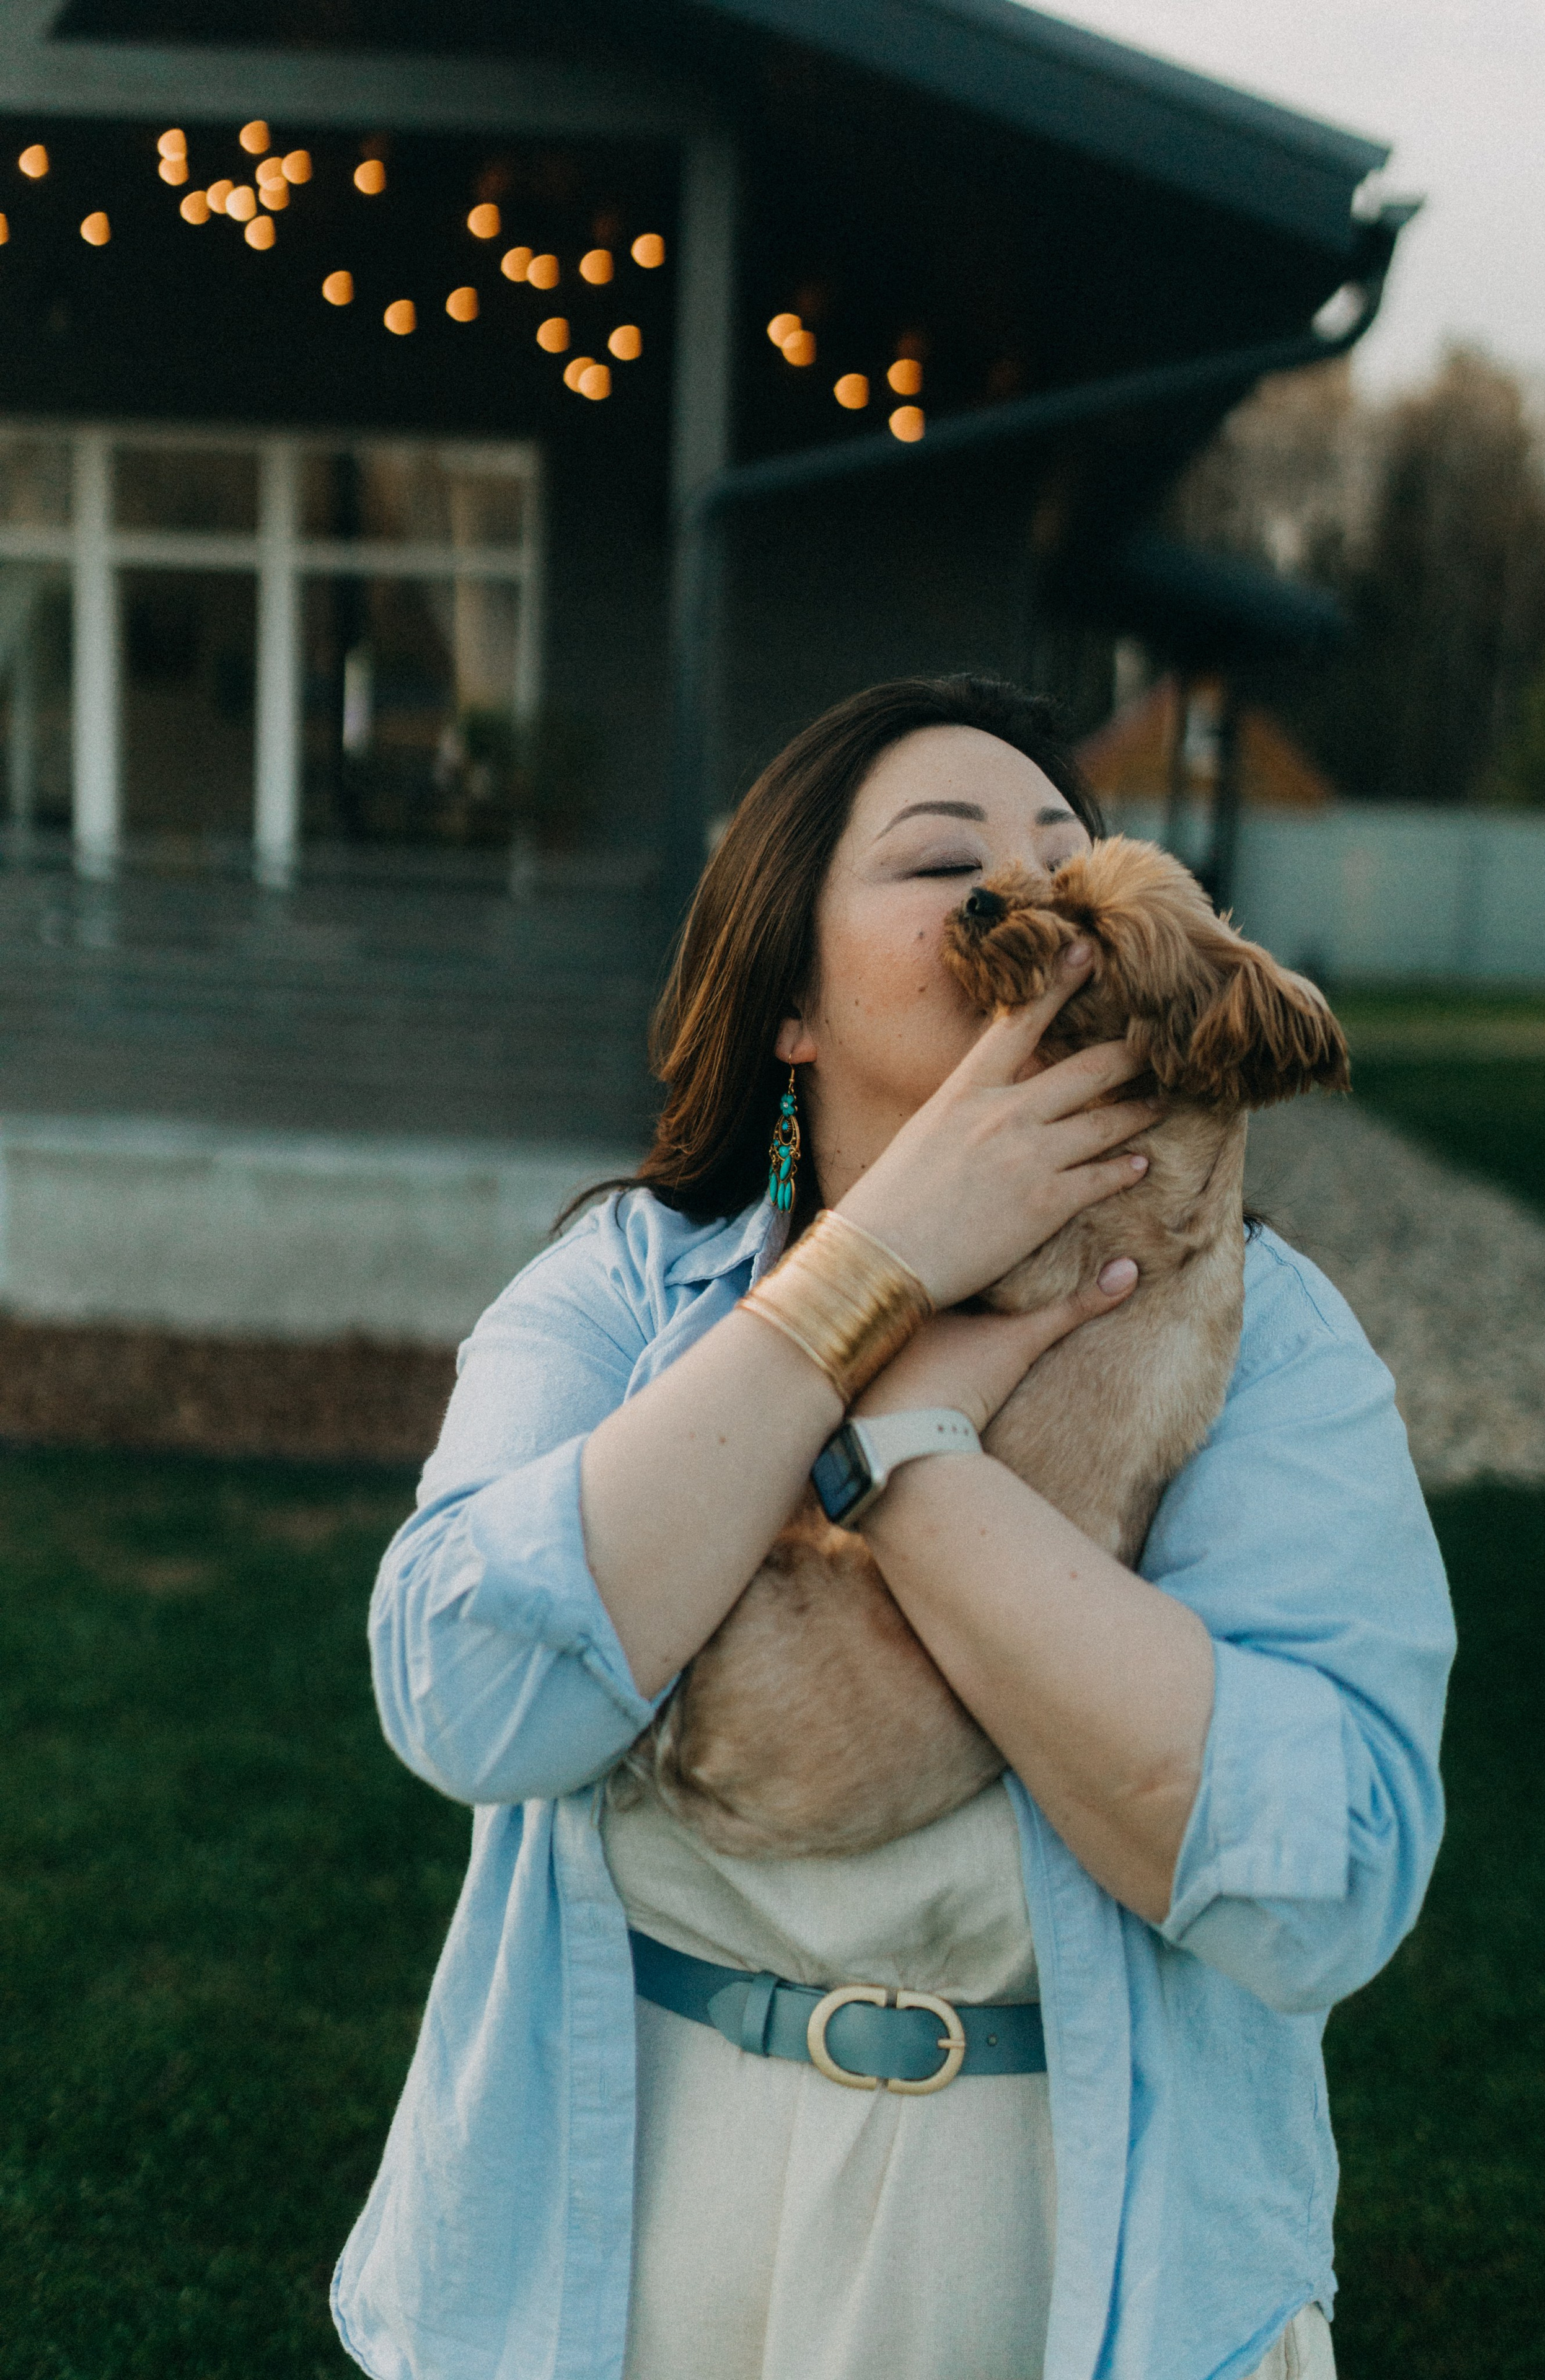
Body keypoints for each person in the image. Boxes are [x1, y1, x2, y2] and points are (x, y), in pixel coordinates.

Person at [332, 676, 1455, 2380]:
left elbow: (1332, 1885)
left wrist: (906, 1448)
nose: (1029, 899)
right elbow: (470, 1698)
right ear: (791, 1002)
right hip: (637, 2211)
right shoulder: (625, 1293)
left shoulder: (1266, 1339)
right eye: (946, 864)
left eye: (1067, 856)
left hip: (1070, 2247)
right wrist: (874, 1269)